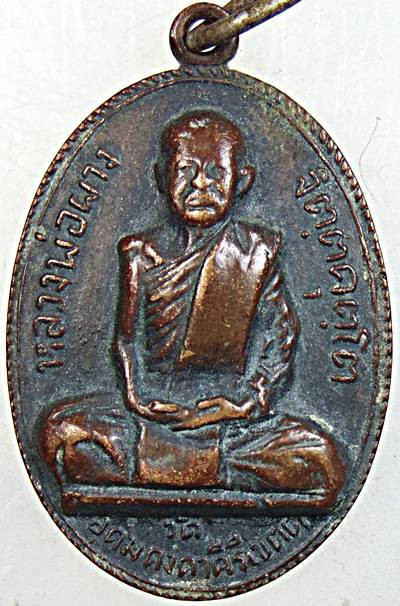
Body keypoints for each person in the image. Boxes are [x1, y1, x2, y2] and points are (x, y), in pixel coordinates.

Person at [41, 111, 345, 508]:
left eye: (217, 174)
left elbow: (279, 337)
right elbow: (127, 341)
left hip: (231, 421)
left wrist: (246, 403)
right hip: (152, 416)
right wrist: (136, 397)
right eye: (187, 171)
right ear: (161, 178)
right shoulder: (140, 253)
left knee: (321, 458)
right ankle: (204, 468)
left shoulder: (257, 251)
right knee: (61, 433)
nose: (201, 185)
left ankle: (164, 468)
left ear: (242, 181)